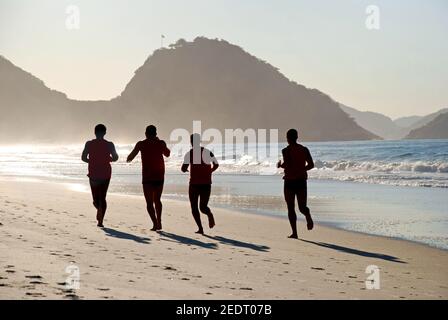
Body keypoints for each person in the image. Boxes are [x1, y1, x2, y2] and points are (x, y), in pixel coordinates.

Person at [127, 125, 170, 231]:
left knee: (149, 203)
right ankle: (159, 222)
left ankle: (155, 224)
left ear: (145, 133)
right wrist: (160, 142)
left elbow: (130, 157)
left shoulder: (141, 144)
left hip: (147, 177)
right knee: (157, 200)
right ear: (156, 134)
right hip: (159, 176)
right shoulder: (160, 143)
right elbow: (167, 154)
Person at [277, 129, 314, 239]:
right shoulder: (304, 149)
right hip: (301, 181)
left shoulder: (285, 151)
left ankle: (295, 233)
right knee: (302, 207)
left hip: (289, 181)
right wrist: (302, 170)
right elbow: (311, 165)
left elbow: (288, 165)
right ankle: (307, 215)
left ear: (287, 138)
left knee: (290, 207)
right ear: (297, 137)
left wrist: (280, 165)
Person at [82, 124, 119, 228]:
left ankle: (99, 215)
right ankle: (100, 217)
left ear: (94, 132)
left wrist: (92, 161)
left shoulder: (89, 144)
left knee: (96, 199)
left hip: (94, 173)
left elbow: (83, 158)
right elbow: (115, 157)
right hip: (105, 173)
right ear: (105, 133)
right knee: (102, 198)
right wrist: (109, 159)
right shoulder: (110, 144)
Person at [181, 133, 219, 234]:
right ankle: (209, 214)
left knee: (194, 207)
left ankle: (200, 228)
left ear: (191, 142)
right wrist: (210, 171)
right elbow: (216, 164)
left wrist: (186, 169)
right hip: (206, 184)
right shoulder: (207, 152)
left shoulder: (190, 153)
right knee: (203, 207)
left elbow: (183, 168)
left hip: (194, 184)